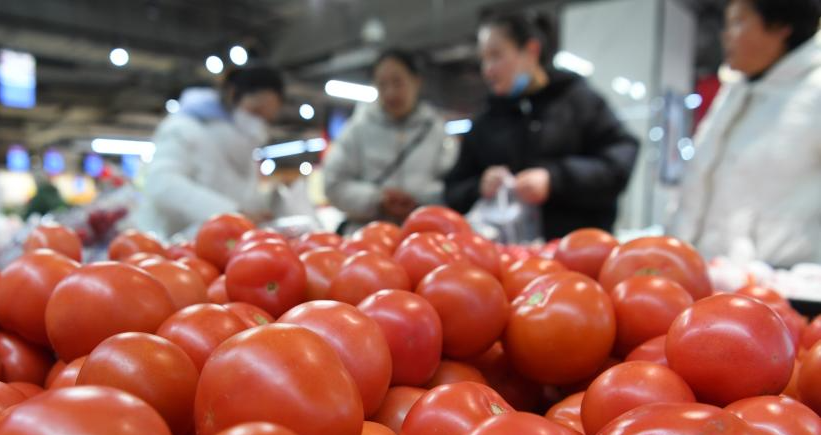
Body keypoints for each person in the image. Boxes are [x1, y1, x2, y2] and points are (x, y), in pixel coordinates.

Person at [445, 10, 639, 240]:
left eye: (496, 55)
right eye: (483, 59)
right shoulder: (484, 122)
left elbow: (618, 163)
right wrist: (479, 186)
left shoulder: (578, 101)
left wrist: (555, 179)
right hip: (503, 255)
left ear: (531, 51)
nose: (488, 69)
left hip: (579, 249)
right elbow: (452, 191)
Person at [671, 0, 821, 267]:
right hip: (707, 273)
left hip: (787, 281)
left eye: (738, 22)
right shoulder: (733, 92)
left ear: (781, 25)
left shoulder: (815, 91)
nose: (726, 35)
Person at [140, 64, 284, 240]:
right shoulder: (183, 128)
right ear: (233, 95)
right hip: (172, 242)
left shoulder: (247, 149)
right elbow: (161, 183)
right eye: (255, 111)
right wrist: (232, 213)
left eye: (267, 119)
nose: (259, 123)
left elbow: (245, 197)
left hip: (226, 245)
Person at [324, 49, 455, 227]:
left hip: (425, 231)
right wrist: (377, 199)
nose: (390, 93)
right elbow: (333, 184)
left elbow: (453, 184)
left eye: (397, 82)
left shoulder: (436, 130)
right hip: (370, 232)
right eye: (382, 85)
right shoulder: (356, 130)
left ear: (416, 81)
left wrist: (420, 199)